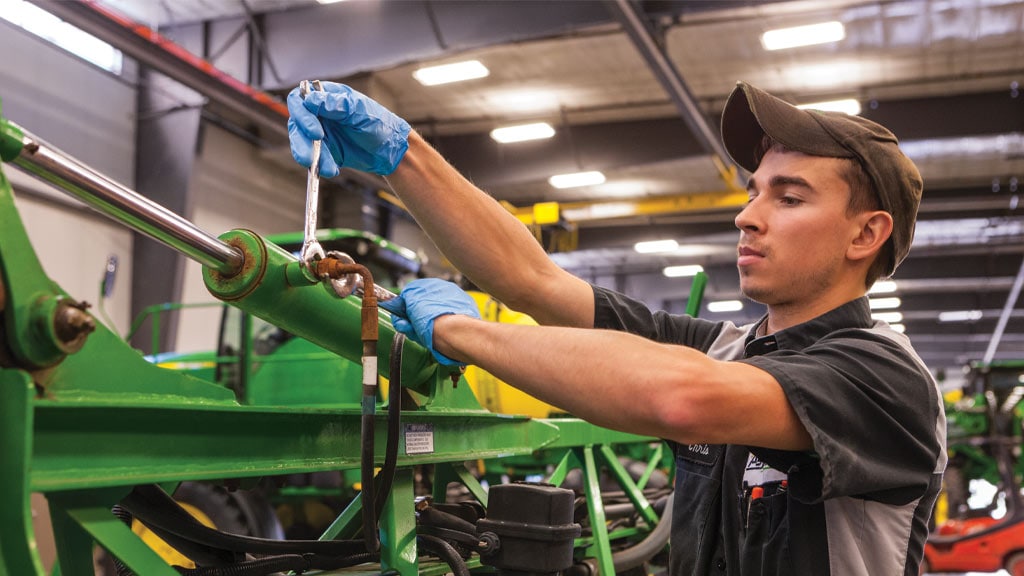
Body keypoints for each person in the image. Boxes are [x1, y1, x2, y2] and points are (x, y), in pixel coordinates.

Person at [287, 80, 946, 575]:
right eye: (754, 191)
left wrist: (464, 332)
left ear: (867, 233)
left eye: (789, 196)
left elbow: (684, 399)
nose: (748, 216)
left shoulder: (884, 376)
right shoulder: (725, 350)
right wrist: (404, 156)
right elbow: (532, 282)